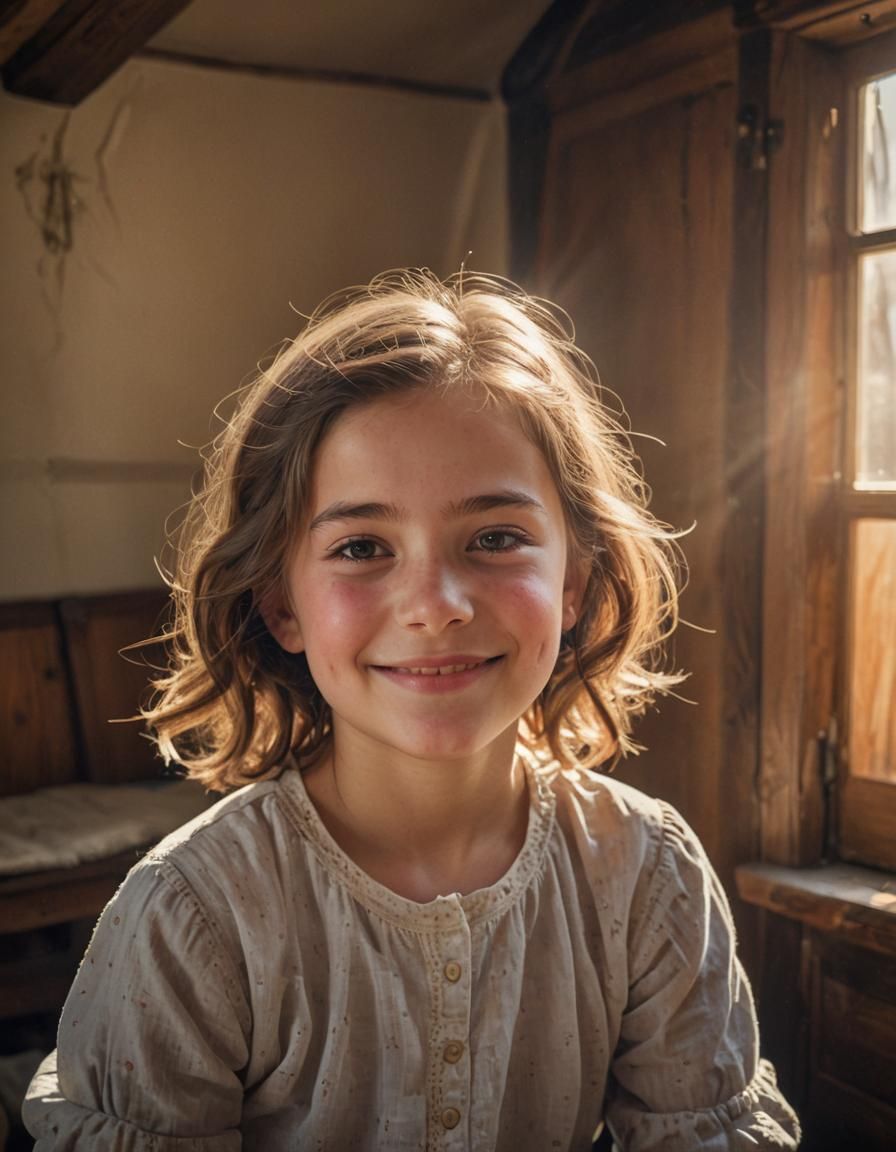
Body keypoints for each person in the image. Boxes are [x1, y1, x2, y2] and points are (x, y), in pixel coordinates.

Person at [24, 269, 800, 1150]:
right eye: (362, 547)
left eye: (496, 539)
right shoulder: (198, 916)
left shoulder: (646, 879)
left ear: (575, 582)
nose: (436, 604)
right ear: (282, 604)